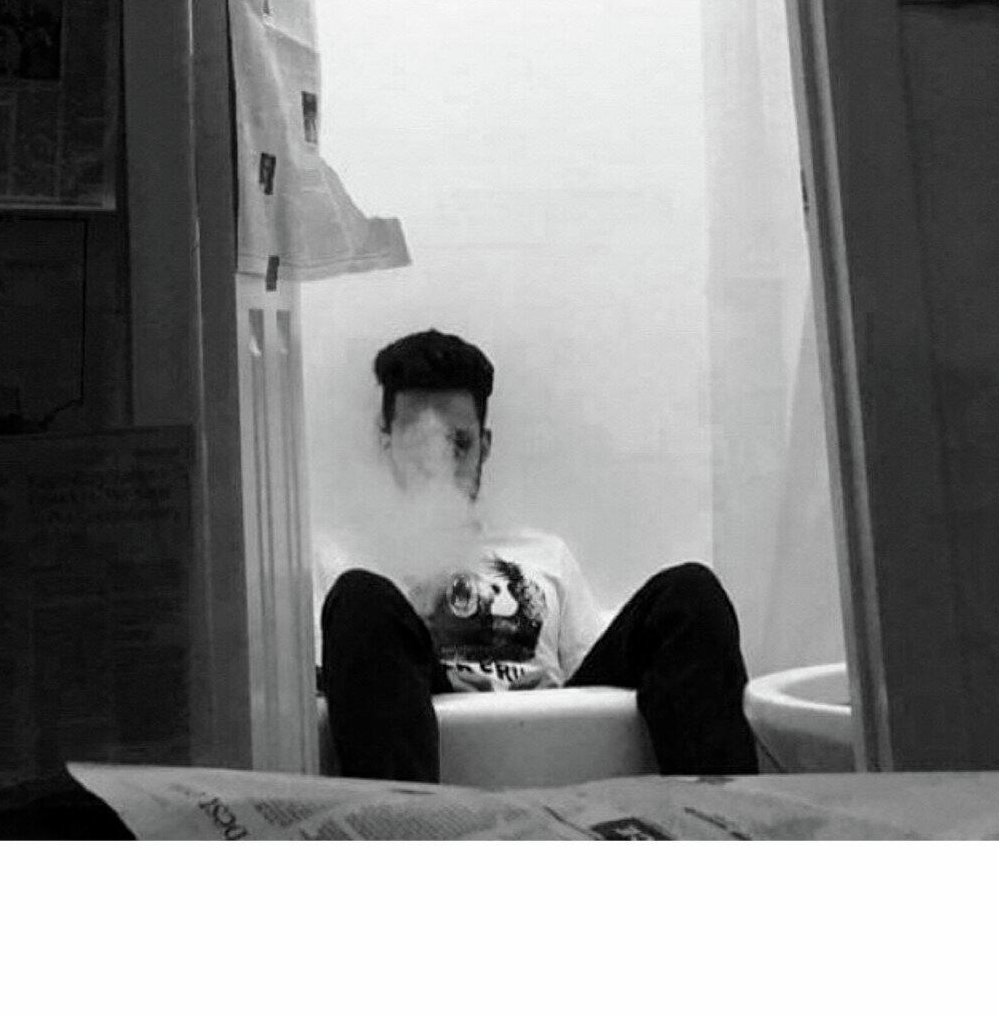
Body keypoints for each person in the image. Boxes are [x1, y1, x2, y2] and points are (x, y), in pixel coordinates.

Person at [317, 329, 761, 781]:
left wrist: (547, 694)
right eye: (419, 444)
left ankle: (720, 815)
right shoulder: (345, 561)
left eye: (459, 443)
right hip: (423, 732)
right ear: (386, 442)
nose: (440, 464)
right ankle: (404, 824)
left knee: (688, 593)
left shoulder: (545, 554)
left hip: (555, 745)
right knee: (361, 597)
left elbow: (594, 681)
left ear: (485, 446)